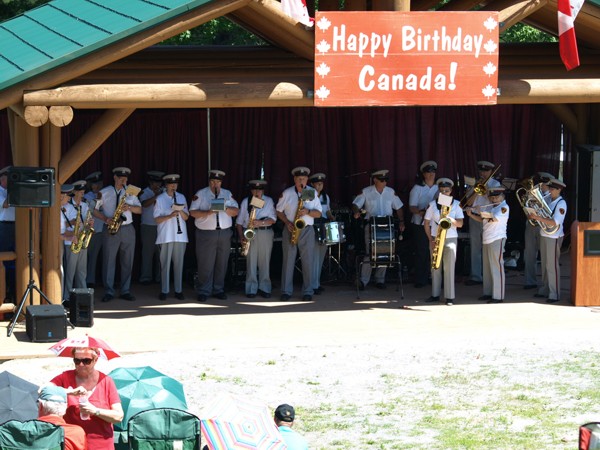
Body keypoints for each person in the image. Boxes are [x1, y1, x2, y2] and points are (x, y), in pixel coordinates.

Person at [50, 347, 124, 450]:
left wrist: (95, 411)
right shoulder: (65, 377)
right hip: (72, 444)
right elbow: (42, 390)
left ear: (95, 360)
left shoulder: (106, 381)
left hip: (101, 445)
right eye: (77, 360)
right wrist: (69, 391)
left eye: (86, 361)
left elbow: (118, 416)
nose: (80, 364)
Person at [189, 169, 239, 302]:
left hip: (224, 233)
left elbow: (236, 211)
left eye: (217, 182)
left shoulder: (227, 194)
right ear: (209, 182)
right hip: (206, 233)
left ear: (221, 182)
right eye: (212, 181)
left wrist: (225, 209)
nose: (215, 184)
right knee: (205, 263)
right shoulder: (201, 194)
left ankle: (218, 289)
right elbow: (192, 212)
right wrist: (208, 212)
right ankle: (204, 290)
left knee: (221, 263)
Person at [94, 167, 142, 303]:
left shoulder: (131, 192)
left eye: (125, 179)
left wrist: (130, 207)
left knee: (128, 260)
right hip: (110, 227)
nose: (123, 181)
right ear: (115, 177)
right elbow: (94, 210)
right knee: (109, 260)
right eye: (121, 178)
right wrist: (105, 219)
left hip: (127, 228)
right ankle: (109, 291)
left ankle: (125, 290)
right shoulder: (104, 192)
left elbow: (140, 210)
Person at [351, 169, 405, 290]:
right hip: (371, 224)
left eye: (386, 180)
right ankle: (363, 281)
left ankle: (380, 279)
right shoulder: (366, 191)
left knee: (386, 250)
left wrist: (402, 221)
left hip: (387, 225)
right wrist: (356, 212)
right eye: (382, 180)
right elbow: (355, 204)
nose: (384, 182)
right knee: (370, 251)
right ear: (375, 179)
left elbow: (399, 207)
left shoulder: (391, 192)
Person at [276, 166, 322, 301]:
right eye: (298, 179)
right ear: (294, 179)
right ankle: (286, 291)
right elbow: (278, 211)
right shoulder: (287, 193)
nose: (301, 181)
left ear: (307, 179)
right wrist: (286, 222)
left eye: (303, 178)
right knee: (288, 261)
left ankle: (308, 291)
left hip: (307, 229)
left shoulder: (312, 192)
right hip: (291, 228)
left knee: (308, 261)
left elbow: (318, 213)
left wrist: (307, 212)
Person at [423, 178, 464, 306]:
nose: (444, 193)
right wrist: (430, 239)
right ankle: (435, 295)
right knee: (435, 267)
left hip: (450, 237)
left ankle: (449, 297)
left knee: (449, 268)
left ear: (451, 191)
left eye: (447, 191)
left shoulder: (456, 204)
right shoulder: (433, 204)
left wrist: (451, 219)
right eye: (441, 191)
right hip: (436, 237)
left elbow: (461, 223)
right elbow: (426, 222)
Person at [466, 186, 509, 303]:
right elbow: (483, 220)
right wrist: (471, 214)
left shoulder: (504, 207)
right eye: (493, 197)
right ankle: (488, 292)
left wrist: (481, 211)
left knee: (496, 267)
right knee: (487, 268)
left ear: (503, 196)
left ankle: (498, 296)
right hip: (486, 239)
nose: (494, 199)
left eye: (497, 197)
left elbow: (493, 219)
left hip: (497, 239)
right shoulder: (492, 207)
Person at [235, 179, 276, 299]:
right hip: (250, 233)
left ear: (263, 190)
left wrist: (261, 222)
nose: (257, 192)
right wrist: (242, 237)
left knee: (265, 261)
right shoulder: (245, 201)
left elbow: (273, 219)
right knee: (251, 262)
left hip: (265, 232)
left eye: (259, 189)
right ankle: (251, 289)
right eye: (254, 189)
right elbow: (238, 223)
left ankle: (265, 287)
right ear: (251, 190)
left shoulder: (268, 201)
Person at [529, 178, 567, 303]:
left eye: (552, 189)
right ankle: (546, 289)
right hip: (544, 234)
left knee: (552, 266)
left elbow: (554, 222)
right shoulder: (549, 200)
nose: (549, 191)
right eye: (549, 188)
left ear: (559, 190)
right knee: (545, 264)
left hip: (553, 237)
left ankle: (554, 293)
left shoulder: (561, 204)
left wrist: (537, 217)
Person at [465, 160, 501, 286]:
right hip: (474, 216)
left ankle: (488, 275)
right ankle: (476, 276)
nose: (484, 173)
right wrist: (476, 190)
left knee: (488, 248)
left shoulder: (496, 184)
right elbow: (468, 203)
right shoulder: (474, 183)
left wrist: (485, 191)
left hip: (488, 218)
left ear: (491, 171)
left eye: (486, 171)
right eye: (482, 171)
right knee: (475, 248)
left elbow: (496, 201)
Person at [154, 174, 189, 301]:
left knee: (179, 264)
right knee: (165, 265)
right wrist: (170, 215)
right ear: (166, 185)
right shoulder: (160, 199)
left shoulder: (181, 197)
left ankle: (178, 290)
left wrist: (180, 210)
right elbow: (157, 219)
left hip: (180, 236)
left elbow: (186, 217)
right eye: (171, 184)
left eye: (175, 184)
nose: (173, 186)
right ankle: (164, 290)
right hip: (166, 235)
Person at [409, 161, 438, 288]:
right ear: (423, 174)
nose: (431, 174)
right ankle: (420, 279)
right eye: (428, 172)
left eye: (433, 172)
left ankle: (434, 277)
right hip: (420, 223)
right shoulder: (417, 188)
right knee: (422, 251)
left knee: (434, 251)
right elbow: (412, 207)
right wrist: (421, 212)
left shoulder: (439, 187)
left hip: (435, 224)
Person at [522, 172, 554, 290]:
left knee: (545, 255)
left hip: (544, 226)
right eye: (539, 184)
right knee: (529, 253)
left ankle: (547, 284)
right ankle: (530, 281)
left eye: (543, 184)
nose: (540, 186)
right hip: (531, 225)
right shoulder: (534, 193)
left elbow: (550, 213)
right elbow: (526, 207)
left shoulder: (552, 196)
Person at [62, 180, 91, 304]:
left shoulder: (84, 205)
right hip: (71, 242)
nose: (82, 195)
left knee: (82, 270)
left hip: (81, 240)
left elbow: (82, 222)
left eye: (83, 192)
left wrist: (88, 225)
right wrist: (76, 223)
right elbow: (69, 223)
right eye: (80, 192)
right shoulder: (67, 206)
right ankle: (67, 297)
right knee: (70, 271)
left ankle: (83, 295)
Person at [37, 385, 87, 450]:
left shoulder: (26, 430)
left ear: (41, 406)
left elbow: (41, 389)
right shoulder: (77, 433)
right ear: (65, 408)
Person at [309, 172, 335, 295]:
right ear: (312, 184)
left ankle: (316, 283)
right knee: (312, 257)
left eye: (321, 184)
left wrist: (332, 217)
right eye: (317, 184)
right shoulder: (308, 194)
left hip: (323, 225)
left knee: (320, 256)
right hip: (312, 224)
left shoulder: (326, 197)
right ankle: (311, 284)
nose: (319, 186)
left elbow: (327, 211)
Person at [139, 170, 165, 285]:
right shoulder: (145, 191)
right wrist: (156, 196)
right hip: (148, 226)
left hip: (162, 226)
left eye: (159, 182)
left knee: (161, 254)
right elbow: (144, 204)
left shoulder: (164, 191)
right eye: (155, 182)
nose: (158, 185)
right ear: (150, 182)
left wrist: (161, 194)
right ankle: (146, 277)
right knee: (147, 253)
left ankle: (160, 277)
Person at [83, 171, 104, 288]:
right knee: (88, 257)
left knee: (96, 257)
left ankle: (94, 279)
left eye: (99, 184)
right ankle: (87, 281)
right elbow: (90, 211)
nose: (97, 186)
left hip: (102, 230)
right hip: (90, 231)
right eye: (94, 184)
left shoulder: (105, 194)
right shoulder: (87, 197)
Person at [0, 166, 16, 301]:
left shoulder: (12, 191)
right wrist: (16, 190)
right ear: (2, 179)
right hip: (4, 227)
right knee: (6, 258)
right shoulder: (0, 192)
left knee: (18, 258)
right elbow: (5, 204)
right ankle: (5, 292)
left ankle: (14, 290)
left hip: (17, 226)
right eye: (8, 179)